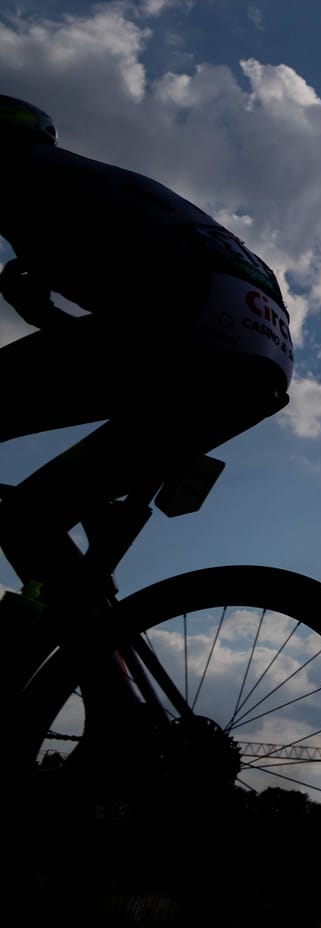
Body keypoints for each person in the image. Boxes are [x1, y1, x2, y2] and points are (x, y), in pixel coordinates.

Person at [0, 94, 294, 601]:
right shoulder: (102, 182)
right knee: (37, 514)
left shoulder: (24, 176)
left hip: (185, 331)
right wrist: (44, 314)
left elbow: (111, 346)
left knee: (29, 512)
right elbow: (110, 343)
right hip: (260, 359)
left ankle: (73, 626)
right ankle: (87, 639)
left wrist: (41, 309)